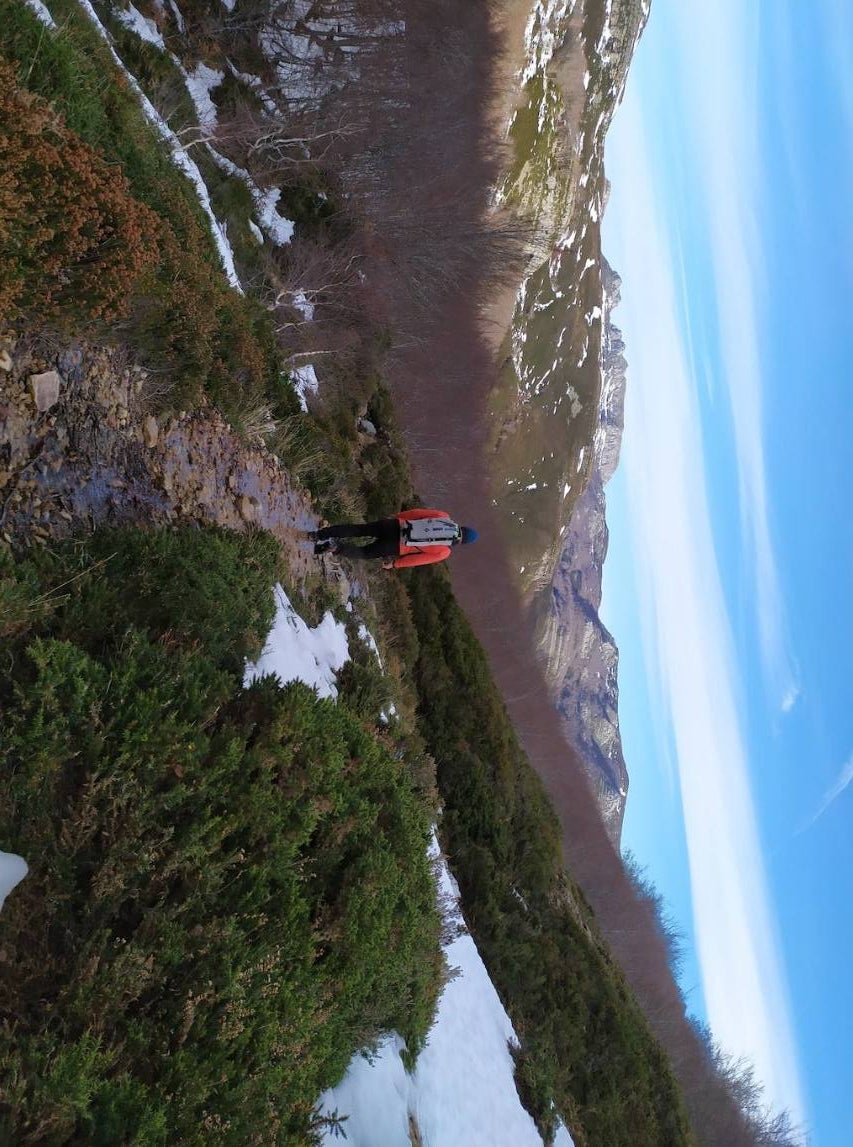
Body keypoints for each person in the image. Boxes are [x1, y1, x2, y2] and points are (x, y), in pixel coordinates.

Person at [312, 508, 478, 569]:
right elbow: (417, 560)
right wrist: (395, 563)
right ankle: (336, 548)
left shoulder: (444, 517)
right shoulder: (444, 551)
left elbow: (417, 513)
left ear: (462, 527)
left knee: (358, 530)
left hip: (395, 525)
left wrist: (398, 516)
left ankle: (320, 534)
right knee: (364, 552)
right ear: (462, 543)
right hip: (397, 546)